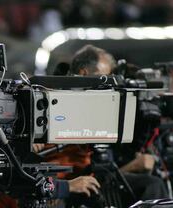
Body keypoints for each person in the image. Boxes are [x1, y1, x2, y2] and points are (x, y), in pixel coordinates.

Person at [68, 44, 169, 203]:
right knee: (152, 185)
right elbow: (87, 174)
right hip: (74, 188)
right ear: (83, 73)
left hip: (95, 182)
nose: (111, 87)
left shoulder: (100, 110)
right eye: (106, 77)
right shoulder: (66, 110)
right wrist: (133, 167)